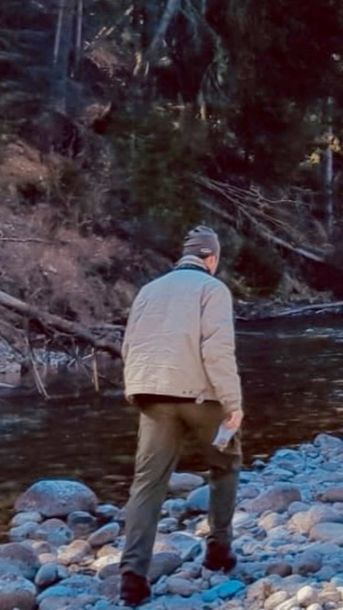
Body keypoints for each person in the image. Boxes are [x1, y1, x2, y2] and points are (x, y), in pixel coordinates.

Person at [117, 225, 245, 607]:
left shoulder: (148, 290)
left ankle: (132, 579)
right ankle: (218, 552)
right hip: (202, 397)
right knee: (226, 465)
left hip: (152, 395)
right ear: (212, 259)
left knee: (147, 484)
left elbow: (129, 345)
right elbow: (218, 350)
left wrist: (137, 389)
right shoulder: (213, 289)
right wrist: (233, 403)